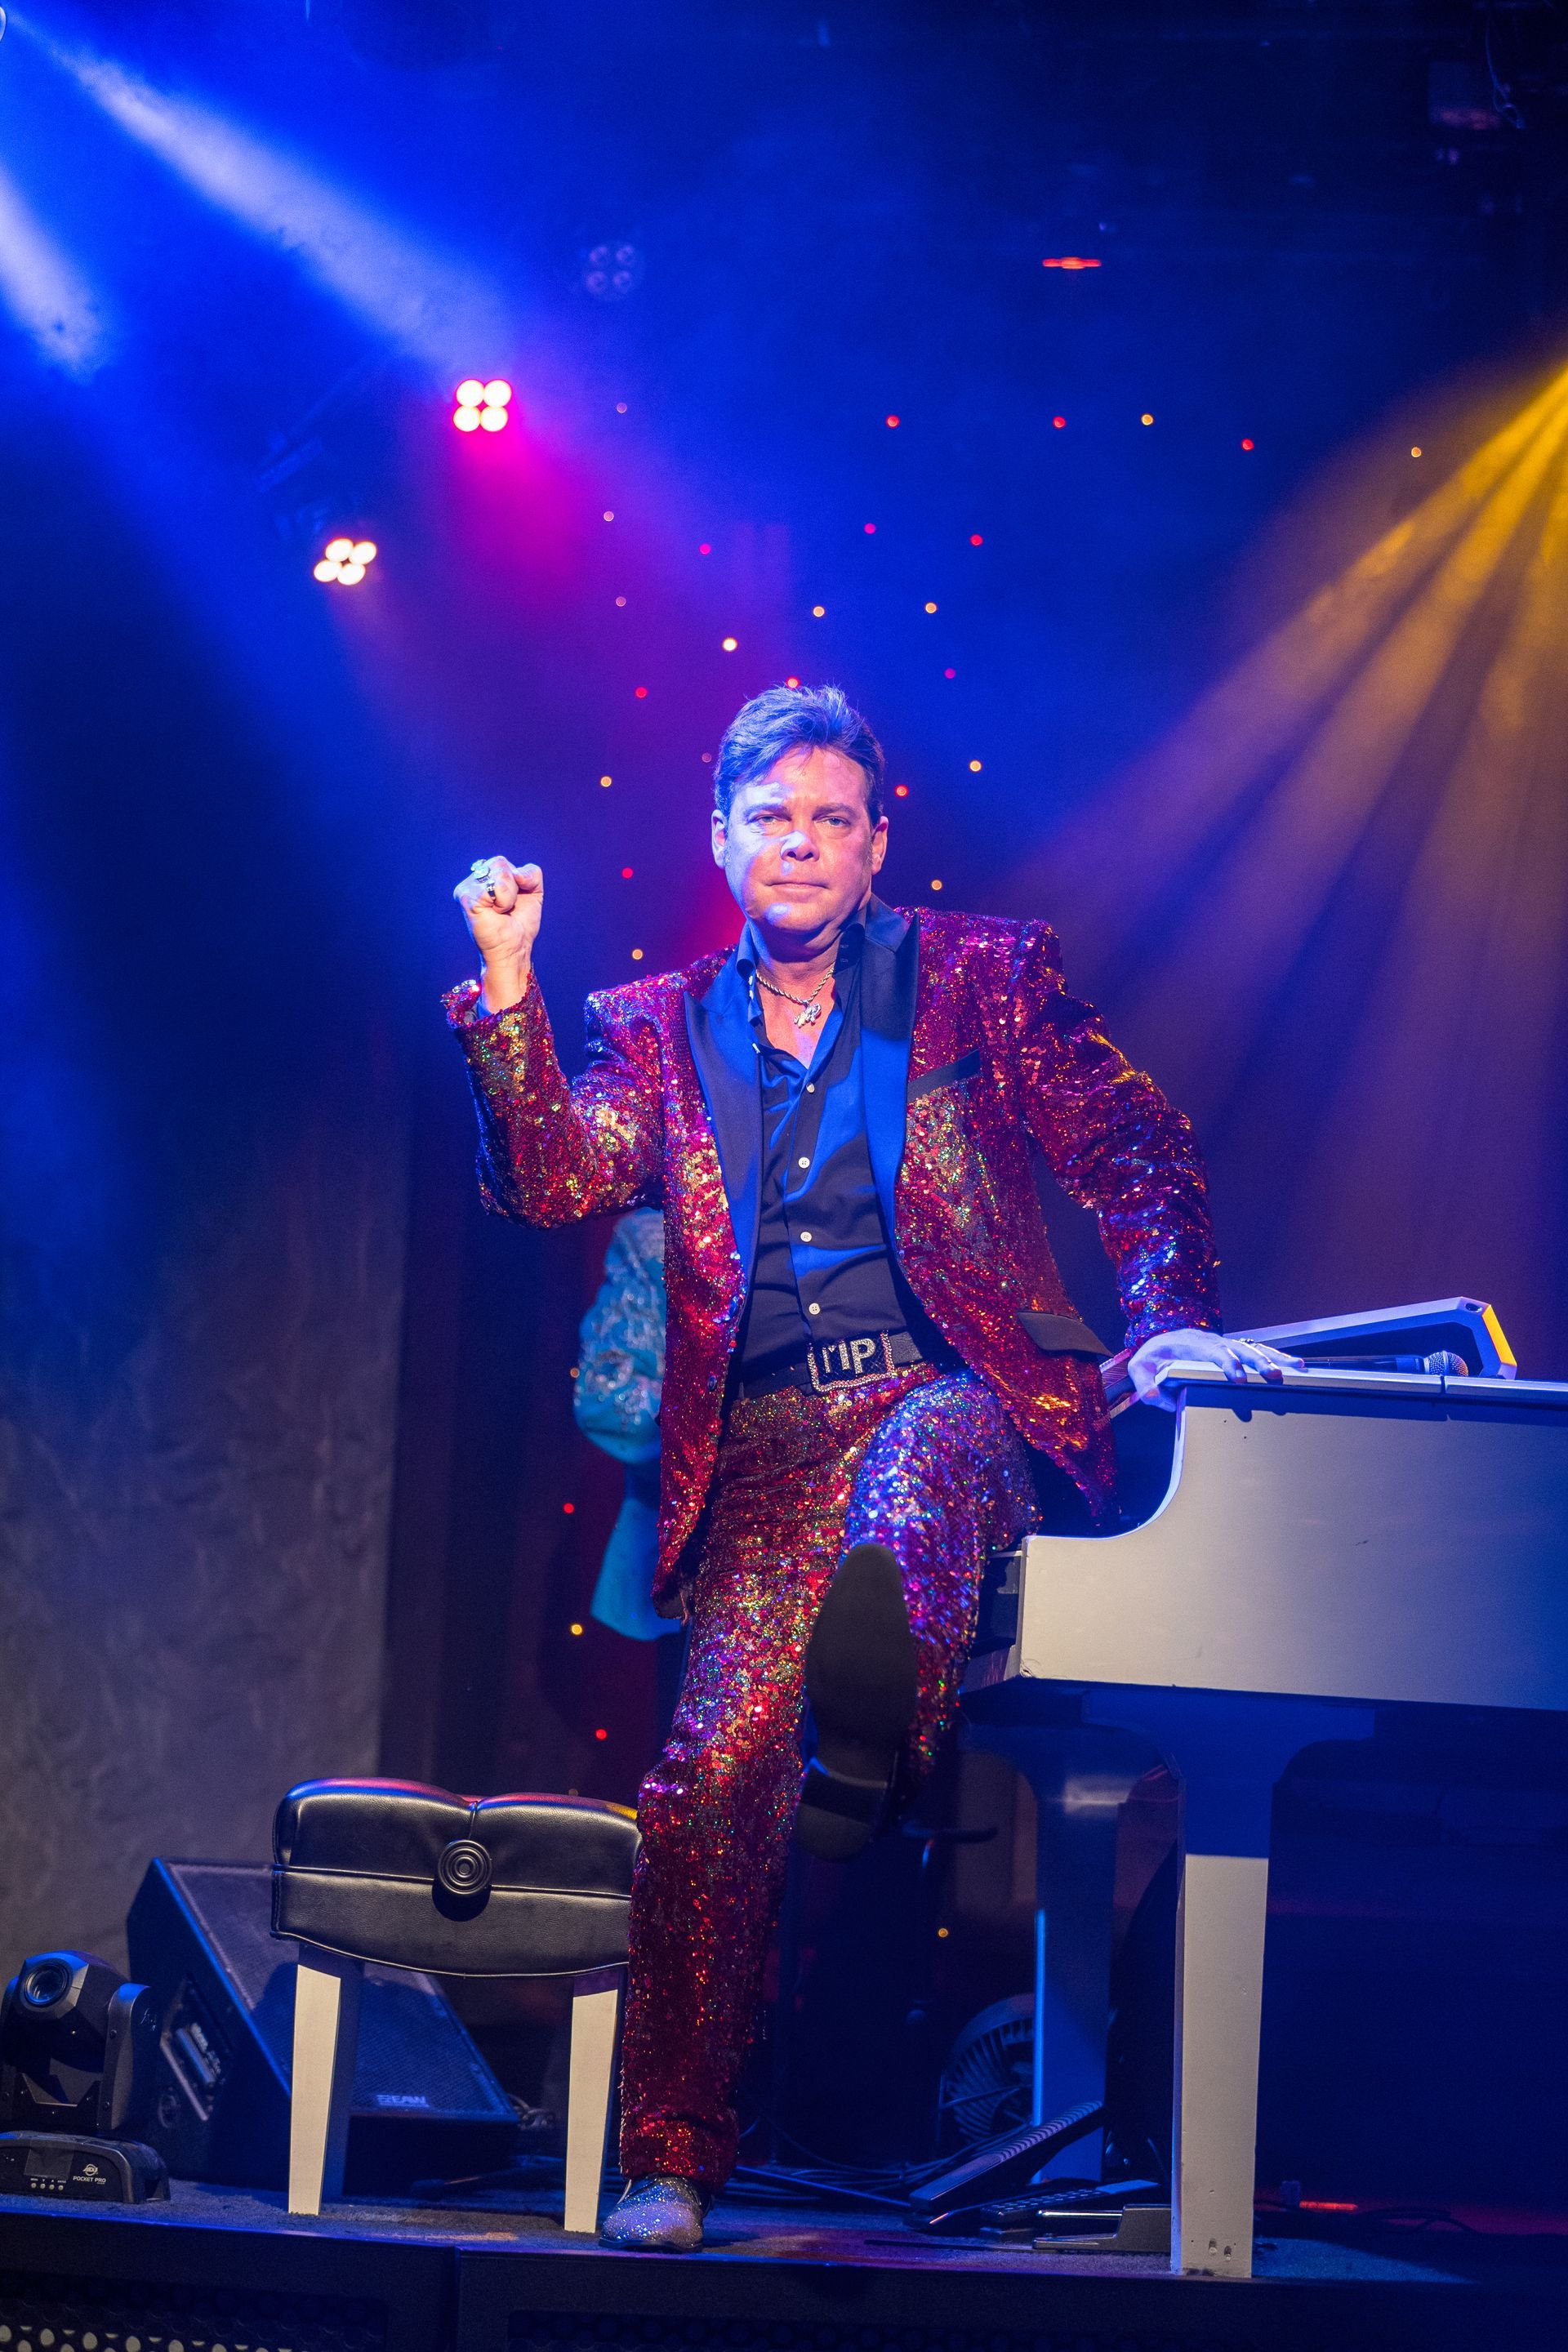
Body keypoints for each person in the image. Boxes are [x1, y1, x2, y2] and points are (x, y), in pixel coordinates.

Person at [446, 684, 1296, 2252]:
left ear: (876, 842)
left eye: (832, 821)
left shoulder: (979, 979)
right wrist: (507, 994)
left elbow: (1138, 1150)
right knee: (704, 1780)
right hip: (766, 1452)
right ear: (721, 841)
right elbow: (551, 1180)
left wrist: (1170, 1324)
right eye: (771, 820)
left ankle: (869, 1729)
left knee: (917, 1470)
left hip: (957, 1394)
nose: (802, 846)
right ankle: (671, 2160)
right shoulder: (653, 1025)